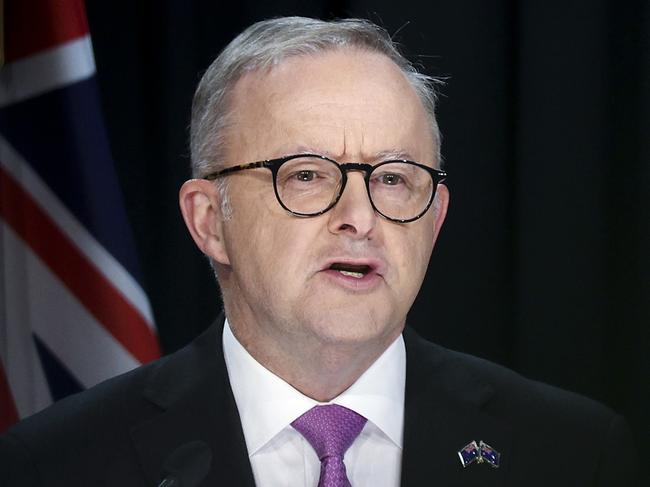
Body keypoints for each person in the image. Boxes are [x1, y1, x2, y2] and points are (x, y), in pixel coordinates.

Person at [0, 16, 638, 487]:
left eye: (392, 177)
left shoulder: (578, 455)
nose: (359, 218)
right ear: (208, 222)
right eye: (305, 174)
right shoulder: (53, 466)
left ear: (435, 218)